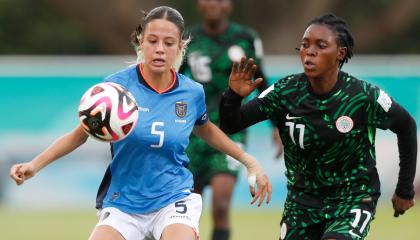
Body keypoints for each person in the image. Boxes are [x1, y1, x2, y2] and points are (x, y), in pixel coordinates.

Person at [9, 6, 272, 240]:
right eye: (152, 40)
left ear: (181, 46)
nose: (160, 49)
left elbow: (206, 130)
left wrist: (250, 161)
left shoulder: (191, 92)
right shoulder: (115, 88)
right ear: (140, 42)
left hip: (173, 199)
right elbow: (80, 134)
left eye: (169, 42)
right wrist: (34, 165)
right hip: (123, 203)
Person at [219, 13, 417, 240]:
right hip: (302, 202)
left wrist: (405, 188)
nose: (309, 52)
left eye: (320, 46)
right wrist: (233, 96)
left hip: (351, 198)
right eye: (305, 45)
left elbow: (406, 126)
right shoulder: (285, 92)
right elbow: (230, 125)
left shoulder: (363, 96)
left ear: (340, 53)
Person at [179, 1, 282, 239]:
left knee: (221, 204)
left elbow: (261, 81)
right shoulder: (187, 39)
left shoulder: (245, 38)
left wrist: (276, 124)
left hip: (230, 128)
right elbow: (173, 81)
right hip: (193, 131)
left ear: (229, 5)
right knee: (185, 211)